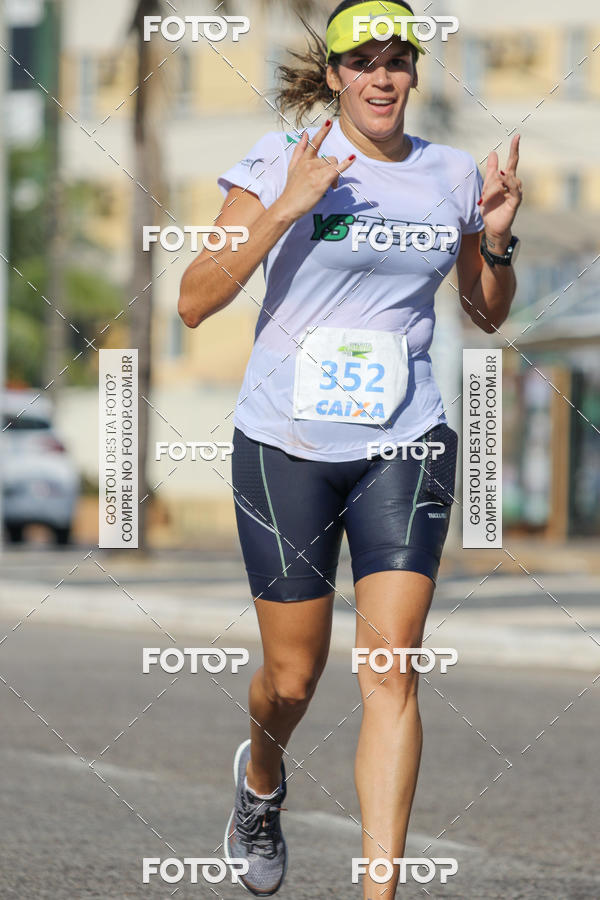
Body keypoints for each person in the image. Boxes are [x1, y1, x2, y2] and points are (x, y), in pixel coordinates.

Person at [178, 0, 522, 895]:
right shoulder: (281, 161)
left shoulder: (450, 172)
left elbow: (486, 311)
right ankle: (261, 779)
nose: (381, 76)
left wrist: (493, 236)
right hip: (284, 443)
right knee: (292, 678)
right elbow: (193, 300)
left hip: (404, 442)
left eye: (396, 60)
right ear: (332, 76)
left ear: (413, 72)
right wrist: (286, 207)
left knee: (391, 668)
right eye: (361, 61)